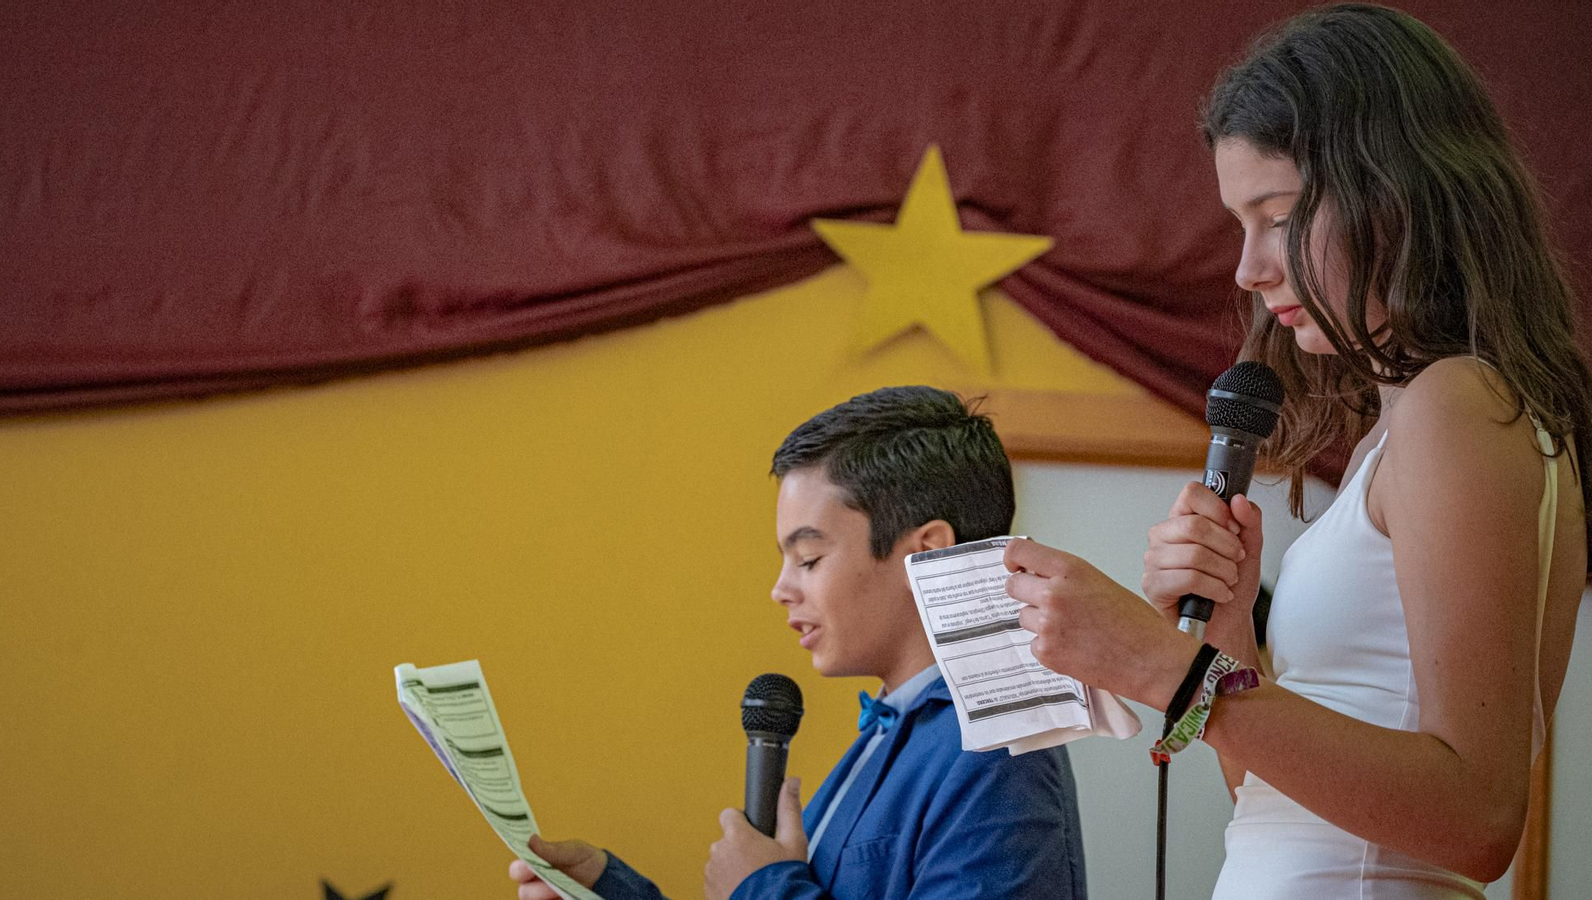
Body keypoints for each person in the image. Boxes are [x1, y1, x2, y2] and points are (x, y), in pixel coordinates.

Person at [1005, 4, 1589, 898]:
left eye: (1276, 216)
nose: (1248, 268)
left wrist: (1166, 666)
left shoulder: (1458, 406)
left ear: (1392, 193)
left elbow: (1475, 820)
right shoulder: (1405, 431)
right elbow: (1277, 801)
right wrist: (1230, 631)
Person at [510, 386, 1087, 900]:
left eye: (809, 558)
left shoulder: (998, 756)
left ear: (928, 553)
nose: (781, 589)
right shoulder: (894, 734)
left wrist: (761, 888)